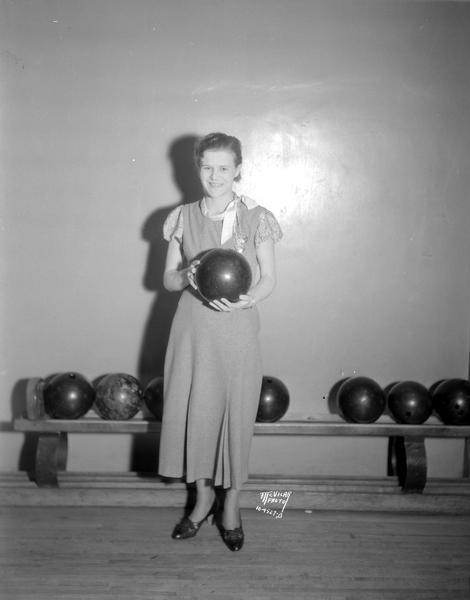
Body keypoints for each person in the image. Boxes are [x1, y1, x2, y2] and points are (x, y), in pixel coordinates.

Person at [158, 132, 282, 551]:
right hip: (192, 330)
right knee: (194, 415)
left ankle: (232, 503)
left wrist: (250, 299)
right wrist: (188, 271)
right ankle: (202, 497)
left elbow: (269, 279)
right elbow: (168, 279)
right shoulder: (181, 217)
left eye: (224, 168)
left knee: (234, 416)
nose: (215, 175)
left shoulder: (256, 216)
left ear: (238, 170)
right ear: (198, 168)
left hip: (237, 330)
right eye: (207, 166)